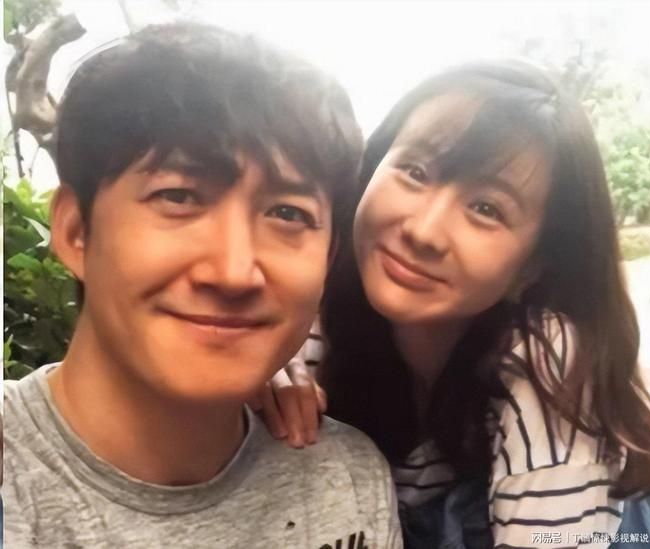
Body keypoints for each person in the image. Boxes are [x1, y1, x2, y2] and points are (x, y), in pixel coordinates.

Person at [3, 22, 403, 548]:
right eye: (178, 197)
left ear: (327, 259)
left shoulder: (347, 480)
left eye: (288, 213)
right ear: (77, 231)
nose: (234, 271)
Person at [255, 61, 650, 548]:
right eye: (415, 172)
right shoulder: (318, 312)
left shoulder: (549, 362)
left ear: (534, 266)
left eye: (486, 209)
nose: (423, 231)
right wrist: (260, 373)